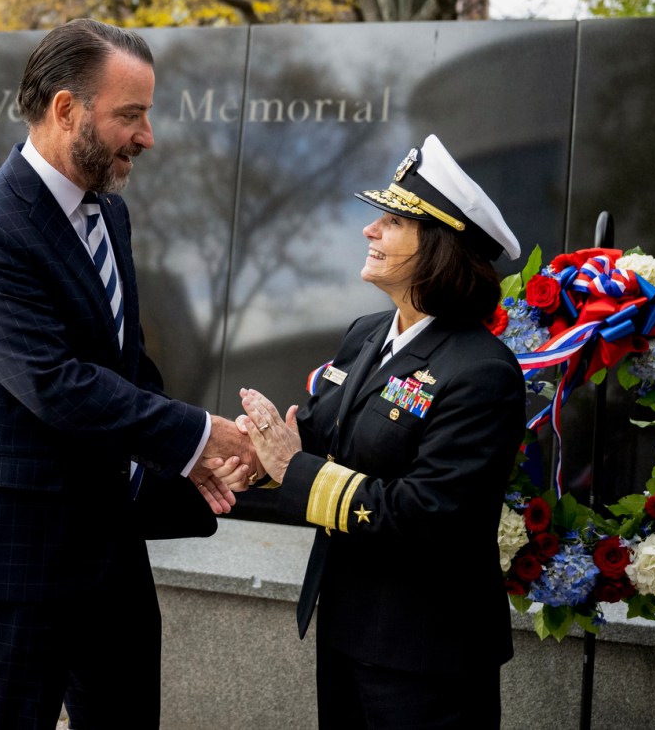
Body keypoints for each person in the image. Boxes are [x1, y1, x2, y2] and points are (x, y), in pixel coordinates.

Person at [0, 19, 253, 730]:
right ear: (67, 110)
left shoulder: (109, 216)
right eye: (131, 114)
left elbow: (125, 365)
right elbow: (54, 384)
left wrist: (186, 457)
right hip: (12, 551)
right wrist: (195, 433)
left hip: (107, 543)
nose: (146, 136)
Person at [209, 135, 527, 729]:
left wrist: (290, 468)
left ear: (437, 245)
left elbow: (425, 511)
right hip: (349, 628)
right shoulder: (365, 334)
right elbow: (317, 443)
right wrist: (253, 455)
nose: (369, 231)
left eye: (391, 220)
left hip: (428, 654)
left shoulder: (481, 371)